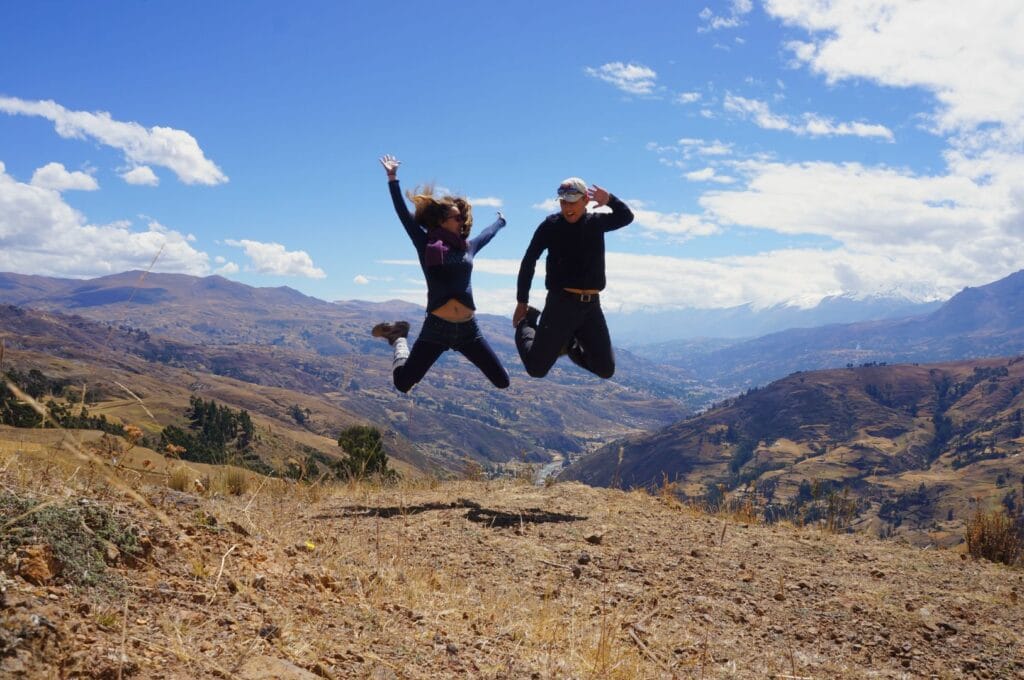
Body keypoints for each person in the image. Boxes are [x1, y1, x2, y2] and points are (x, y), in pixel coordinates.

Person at [372, 154, 510, 393]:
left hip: (469, 331)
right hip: (437, 327)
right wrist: (392, 178)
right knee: (403, 384)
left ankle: (399, 337)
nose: (462, 221)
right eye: (457, 217)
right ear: (443, 220)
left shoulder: (468, 247)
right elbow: (404, 215)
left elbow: (487, 234)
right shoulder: (426, 244)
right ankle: (399, 338)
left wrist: (500, 222)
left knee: (502, 381)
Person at [512, 176, 633, 379]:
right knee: (536, 369)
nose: (567, 207)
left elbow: (626, 217)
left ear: (586, 200)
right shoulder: (550, 225)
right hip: (561, 305)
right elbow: (529, 261)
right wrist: (521, 302)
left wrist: (610, 199)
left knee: (605, 369)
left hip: (591, 306)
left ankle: (567, 343)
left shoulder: (595, 223)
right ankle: (528, 323)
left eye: (572, 202)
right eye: (563, 202)